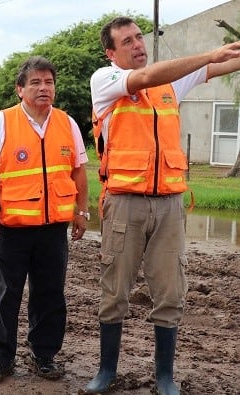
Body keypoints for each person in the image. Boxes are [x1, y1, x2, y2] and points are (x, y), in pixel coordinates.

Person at [83, 16, 240, 395]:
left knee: (170, 292)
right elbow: (143, 79)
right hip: (123, 204)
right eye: (128, 41)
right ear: (111, 53)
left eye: (140, 37)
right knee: (115, 290)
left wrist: (226, 56)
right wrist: (208, 53)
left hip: (169, 205)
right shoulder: (105, 81)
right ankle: (106, 371)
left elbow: (221, 65)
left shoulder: (171, 82)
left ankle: (165, 376)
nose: (138, 44)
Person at [0, 56, 89, 383]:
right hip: (10, 228)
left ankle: (44, 355)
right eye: (36, 82)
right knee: (5, 295)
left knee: (50, 294)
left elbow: (79, 171)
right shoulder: (2, 121)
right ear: (20, 89)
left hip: (54, 228)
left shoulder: (67, 123)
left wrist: (82, 212)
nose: (44, 88)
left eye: (49, 82)